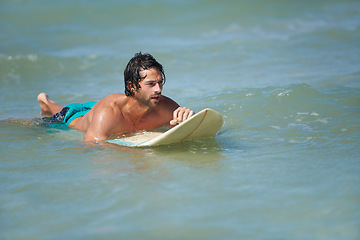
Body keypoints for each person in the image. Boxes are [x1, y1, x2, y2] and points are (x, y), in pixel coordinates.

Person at [37, 52, 194, 143]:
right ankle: (47, 103)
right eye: (151, 84)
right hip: (73, 116)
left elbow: (188, 128)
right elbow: (92, 146)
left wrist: (183, 122)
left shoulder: (166, 107)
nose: (158, 89)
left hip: (97, 109)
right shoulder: (109, 112)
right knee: (45, 120)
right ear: (132, 87)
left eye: (160, 83)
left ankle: (47, 102)